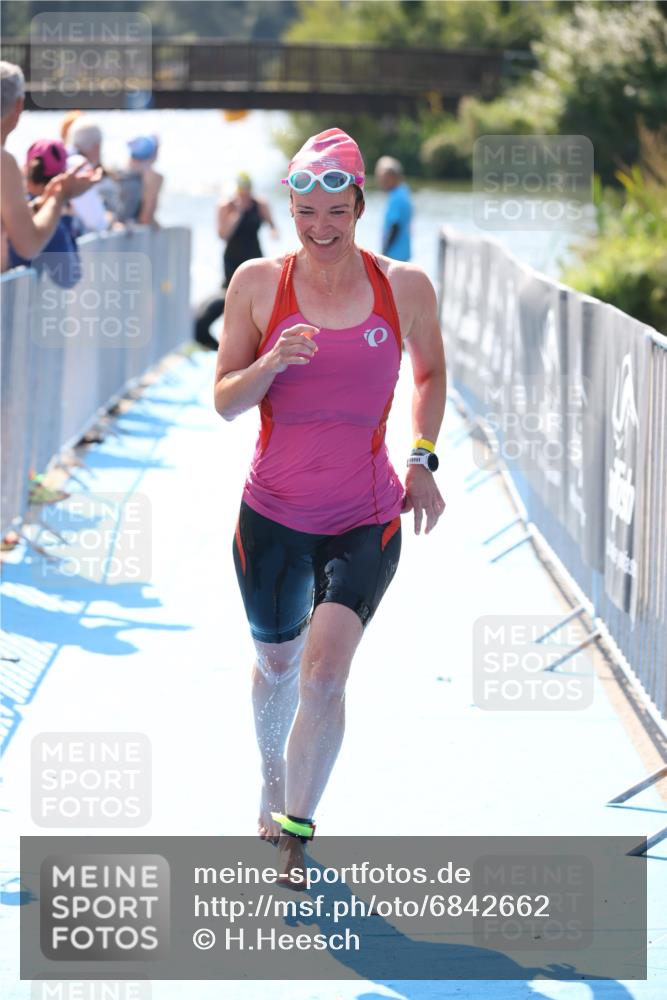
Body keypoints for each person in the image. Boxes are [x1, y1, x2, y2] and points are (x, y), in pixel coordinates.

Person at [214, 128, 446, 886]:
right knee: (276, 666)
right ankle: (269, 778)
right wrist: (271, 361)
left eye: (335, 210)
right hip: (272, 517)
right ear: (290, 206)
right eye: (306, 210)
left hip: (364, 516)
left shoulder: (401, 287)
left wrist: (420, 459)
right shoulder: (257, 282)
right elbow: (222, 401)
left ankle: (295, 832)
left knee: (322, 676)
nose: (320, 227)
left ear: (358, 204)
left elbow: (431, 373)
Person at [1, 61, 100, 273]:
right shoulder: (4, 164)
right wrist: (59, 197)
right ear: (19, 106)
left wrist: (42, 202)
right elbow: (28, 245)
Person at [194, 172, 278, 351]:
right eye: (241, 189)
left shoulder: (260, 204)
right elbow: (223, 235)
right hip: (233, 259)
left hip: (254, 256)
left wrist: (274, 231)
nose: (245, 192)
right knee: (233, 299)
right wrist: (238, 212)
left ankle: (258, 342)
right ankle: (231, 344)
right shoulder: (227, 205)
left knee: (258, 298)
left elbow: (272, 225)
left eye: (248, 188)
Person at [7, 139, 81, 289]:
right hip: (16, 308)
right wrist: (67, 219)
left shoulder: (10, 209)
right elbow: (68, 277)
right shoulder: (53, 223)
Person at [116, 135, 163, 226]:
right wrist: (153, 189)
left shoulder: (117, 175)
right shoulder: (139, 181)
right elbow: (145, 220)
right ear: (153, 155)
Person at [375, 155, 413, 261]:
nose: (381, 183)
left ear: (392, 177)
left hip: (394, 256)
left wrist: (383, 253)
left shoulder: (397, 198)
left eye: (383, 179)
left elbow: (394, 226)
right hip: (403, 253)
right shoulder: (404, 191)